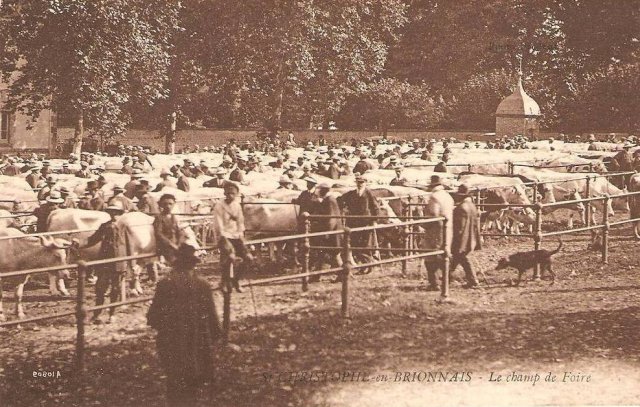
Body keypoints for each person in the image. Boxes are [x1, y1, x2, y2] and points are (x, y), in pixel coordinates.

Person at [147, 243, 221, 407]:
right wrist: (213, 338)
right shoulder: (203, 285)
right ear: (193, 264)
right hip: (198, 343)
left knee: (174, 383)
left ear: (177, 264)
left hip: (172, 344)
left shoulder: (165, 284)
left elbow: (153, 317)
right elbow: (213, 319)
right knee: (193, 383)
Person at [74, 201, 128, 324]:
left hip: (119, 262)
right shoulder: (104, 226)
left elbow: (130, 245)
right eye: (111, 212)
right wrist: (80, 243)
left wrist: (131, 262)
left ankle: (112, 314)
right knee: (100, 288)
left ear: (120, 214)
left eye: (117, 213)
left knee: (115, 289)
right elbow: (93, 239)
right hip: (104, 261)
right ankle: (97, 314)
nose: (114, 215)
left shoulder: (124, 227)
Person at [213, 182, 253, 293]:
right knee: (229, 257)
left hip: (236, 235)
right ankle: (225, 281)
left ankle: (236, 280)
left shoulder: (237, 205)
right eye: (228, 193)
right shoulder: (219, 206)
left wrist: (241, 235)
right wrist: (223, 237)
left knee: (248, 258)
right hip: (224, 235)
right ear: (224, 193)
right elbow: (218, 223)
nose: (230, 195)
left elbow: (240, 221)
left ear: (236, 194)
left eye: (233, 193)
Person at [337, 173, 378, 268]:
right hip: (353, 222)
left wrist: (374, 220)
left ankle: (367, 264)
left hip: (365, 222)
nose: (359, 184)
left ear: (365, 183)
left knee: (365, 244)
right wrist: (343, 208)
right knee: (354, 242)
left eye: (361, 182)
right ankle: (362, 263)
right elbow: (340, 199)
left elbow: (375, 207)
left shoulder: (369, 194)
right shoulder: (351, 193)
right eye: (358, 182)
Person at [422, 175, 454, 291]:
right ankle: (447, 279)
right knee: (444, 253)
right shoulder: (448, 196)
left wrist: (424, 222)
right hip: (448, 228)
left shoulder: (434, 197)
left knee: (431, 257)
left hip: (435, 230)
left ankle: (434, 283)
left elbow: (434, 215)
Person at [451, 184, 482, 288]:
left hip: (462, 238)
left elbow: (459, 226)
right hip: (471, 237)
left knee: (462, 258)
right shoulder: (473, 206)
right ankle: (446, 278)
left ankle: (473, 280)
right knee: (457, 258)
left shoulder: (461, 208)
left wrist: (454, 237)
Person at [153, 194, 186, 265]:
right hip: (165, 246)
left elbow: (178, 231)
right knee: (176, 262)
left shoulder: (173, 217)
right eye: (165, 204)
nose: (168, 206)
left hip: (176, 243)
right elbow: (158, 234)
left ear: (174, 204)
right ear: (161, 205)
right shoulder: (159, 218)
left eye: (170, 204)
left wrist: (179, 243)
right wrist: (171, 244)